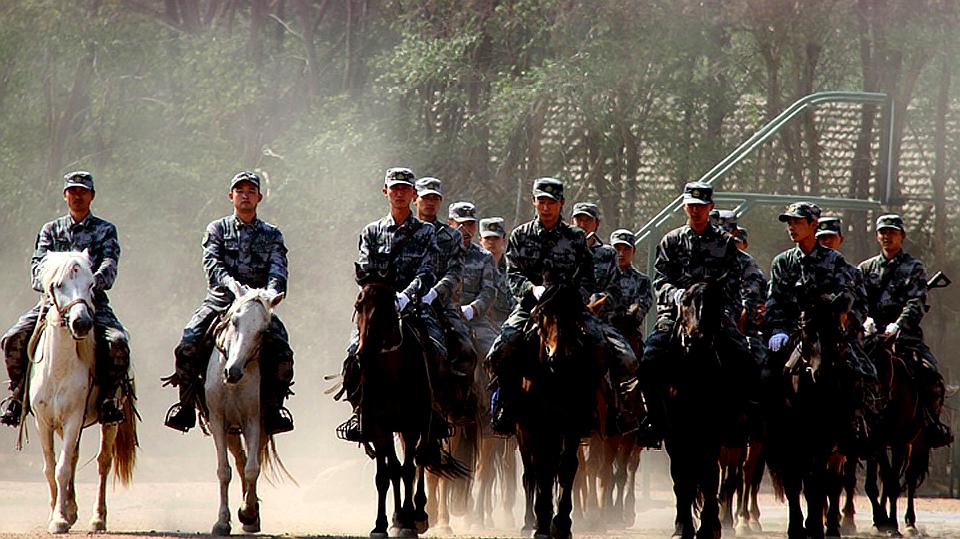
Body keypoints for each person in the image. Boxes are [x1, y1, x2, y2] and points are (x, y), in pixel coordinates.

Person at [163, 171, 294, 435]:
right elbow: (212, 264)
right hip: (222, 300)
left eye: (250, 191)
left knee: (283, 353)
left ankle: (274, 409)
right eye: (240, 190)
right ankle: (186, 406)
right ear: (231, 196)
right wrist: (231, 285)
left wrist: (269, 294)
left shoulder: (272, 234)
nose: (245, 195)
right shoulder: (217, 229)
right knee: (187, 344)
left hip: (257, 305)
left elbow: (278, 270)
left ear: (259, 197)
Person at [1, 171, 131, 427]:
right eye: (73, 191)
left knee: (118, 343)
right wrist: (54, 286)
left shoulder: (105, 230)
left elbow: (109, 265)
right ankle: (17, 396)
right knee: (12, 338)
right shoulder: (50, 230)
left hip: (91, 302)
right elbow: (37, 269)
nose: (77, 196)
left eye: (83, 191)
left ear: (92, 196)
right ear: (65, 195)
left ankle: (108, 399)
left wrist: (89, 284)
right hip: (52, 304)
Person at [485, 177, 600, 434]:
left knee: (600, 342)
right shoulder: (520, 235)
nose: (546, 207)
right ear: (533, 201)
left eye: (552, 202)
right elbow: (512, 275)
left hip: (569, 307)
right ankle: (505, 406)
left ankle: (594, 409)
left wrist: (574, 299)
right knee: (502, 347)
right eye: (541, 201)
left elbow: (588, 277)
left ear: (562, 204)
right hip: (530, 306)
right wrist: (531, 289)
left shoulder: (575, 237)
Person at [640, 183, 753, 443]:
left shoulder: (725, 243)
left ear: (710, 208)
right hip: (676, 316)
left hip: (714, 317)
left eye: (701, 206)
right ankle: (654, 420)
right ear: (684, 206)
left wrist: (723, 312)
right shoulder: (671, 240)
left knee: (745, 360)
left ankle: (739, 421)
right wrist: (676, 295)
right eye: (691, 205)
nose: (696, 210)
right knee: (648, 363)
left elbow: (733, 284)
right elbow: (660, 280)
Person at [337, 167, 443, 442]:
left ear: (413, 194)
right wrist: (381, 297)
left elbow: (428, 270)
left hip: (414, 306)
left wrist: (406, 296)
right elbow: (364, 268)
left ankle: (435, 414)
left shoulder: (425, 232)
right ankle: (360, 413)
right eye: (394, 188)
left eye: (404, 189)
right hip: (377, 307)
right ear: (385, 192)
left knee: (438, 350)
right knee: (353, 355)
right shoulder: (371, 232)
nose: (399, 193)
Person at [765, 202, 874, 448]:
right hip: (793, 335)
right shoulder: (782, 262)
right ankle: (765, 433)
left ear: (813, 225)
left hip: (829, 335)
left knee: (862, 373)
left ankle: (857, 429)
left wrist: (845, 326)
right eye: (789, 223)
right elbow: (774, 301)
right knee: (766, 375)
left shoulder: (835, 261)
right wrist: (778, 329)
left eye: (798, 222)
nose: (792, 227)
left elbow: (858, 301)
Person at [858, 214, 953, 448]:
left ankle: (931, 424)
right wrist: (865, 319)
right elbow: (858, 299)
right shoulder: (865, 268)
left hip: (904, 336)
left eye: (892, 232)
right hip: (871, 335)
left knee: (931, 376)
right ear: (877, 235)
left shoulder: (914, 267)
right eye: (883, 232)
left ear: (902, 236)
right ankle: (851, 424)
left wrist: (899, 324)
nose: (887, 236)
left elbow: (917, 302)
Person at [414, 178, 476, 380]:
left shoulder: (452, 236)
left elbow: (455, 273)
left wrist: (434, 293)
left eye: (435, 198)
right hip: (403, 303)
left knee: (465, 350)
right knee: (358, 349)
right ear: (415, 199)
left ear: (440, 202)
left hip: (440, 304)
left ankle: (462, 404)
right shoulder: (403, 230)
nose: (430, 202)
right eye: (425, 198)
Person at [450, 203, 499, 354]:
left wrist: (473, 309)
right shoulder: (440, 252)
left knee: (496, 353)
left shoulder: (484, 257)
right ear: (450, 223)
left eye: (470, 224)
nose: (465, 229)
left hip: (475, 320)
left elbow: (489, 291)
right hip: (444, 316)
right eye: (460, 224)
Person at [478, 217, 515, 326]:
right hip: (479, 323)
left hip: (508, 323)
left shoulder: (513, 268)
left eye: (496, 238)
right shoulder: (472, 266)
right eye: (487, 238)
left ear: (504, 239)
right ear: (480, 239)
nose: (491, 242)